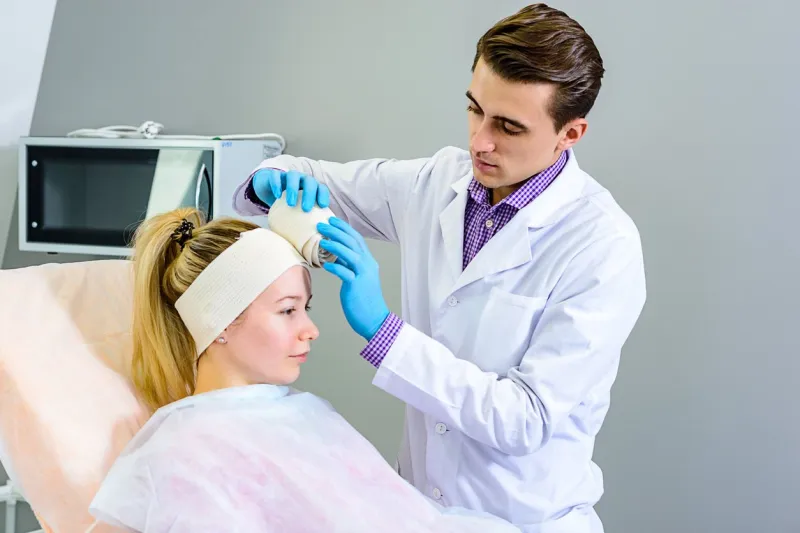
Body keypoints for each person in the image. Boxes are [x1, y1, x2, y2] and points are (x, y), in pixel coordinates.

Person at [231, 4, 646, 533]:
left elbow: (526, 420)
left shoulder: (601, 245)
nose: (480, 141)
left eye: (508, 126)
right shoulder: (438, 182)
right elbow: (308, 176)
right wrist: (273, 180)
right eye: (474, 110)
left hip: (524, 521)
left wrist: (386, 334)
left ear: (571, 133)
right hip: (419, 514)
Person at [88, 208, 520, 533]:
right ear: (219, 323)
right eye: (288, 310)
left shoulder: (304, 413)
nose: (310, 330)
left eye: (305, 308)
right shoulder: (187, 448)